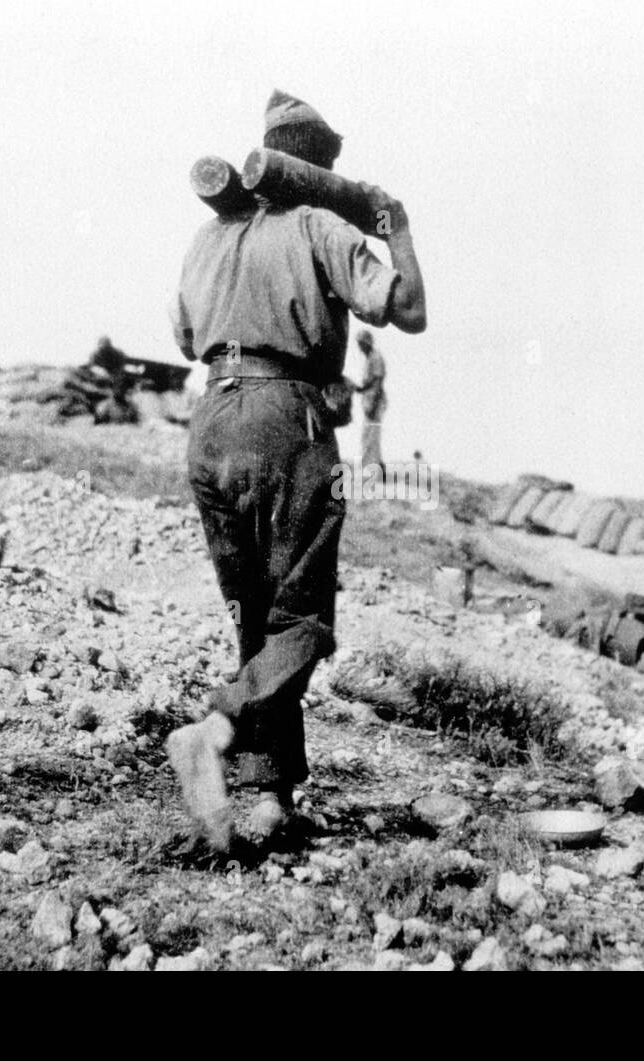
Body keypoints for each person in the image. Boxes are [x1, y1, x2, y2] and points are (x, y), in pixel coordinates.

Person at [167, 90, 427, 852]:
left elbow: (187, 339)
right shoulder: (319, 225)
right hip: (287, 420)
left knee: (256, 612)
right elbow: (407, 309)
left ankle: (266, 793)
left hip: (210, 421)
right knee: (303, 619)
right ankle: (213, 729)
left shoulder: (206, 237)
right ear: (317, 170)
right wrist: (398, 230)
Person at [355, 330, 387, 473]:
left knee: (371, 436)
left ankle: (372, 470)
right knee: (369, 435)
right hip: (368, 398)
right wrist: (359, 389)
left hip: (375, 400)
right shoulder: (369, 358)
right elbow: (369, 382)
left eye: (361, 344)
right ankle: (379, 468)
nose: (360, 347)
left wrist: (373, 403)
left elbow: (378, 381)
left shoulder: (376, 357)